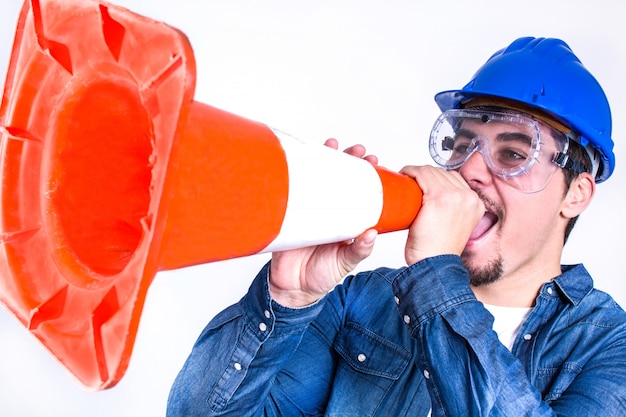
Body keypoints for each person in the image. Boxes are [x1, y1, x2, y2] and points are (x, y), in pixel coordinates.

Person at [167, 36, 626, 416]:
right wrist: (286, 301)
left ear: (576, 193)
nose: (469, 172)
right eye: (462, 145)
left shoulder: (608, 347)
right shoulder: (360, 302)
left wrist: (435, 273)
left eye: (512, 154)